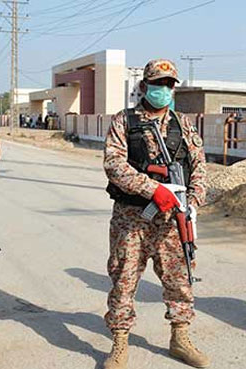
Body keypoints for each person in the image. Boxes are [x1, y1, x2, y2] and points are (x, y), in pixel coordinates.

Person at [102, 59, 209, 369]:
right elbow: (114, 166)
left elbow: (199, 166)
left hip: (173, 220)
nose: (164, 89)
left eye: (169, 84)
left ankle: (180, 338)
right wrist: (153, 190)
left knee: (180, 280)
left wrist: (192, 202)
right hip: (132, 218)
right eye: (158, 83)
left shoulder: (183, 124)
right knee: (123, 279)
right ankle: (120, 342)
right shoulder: (125, 121)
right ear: (144, 86)